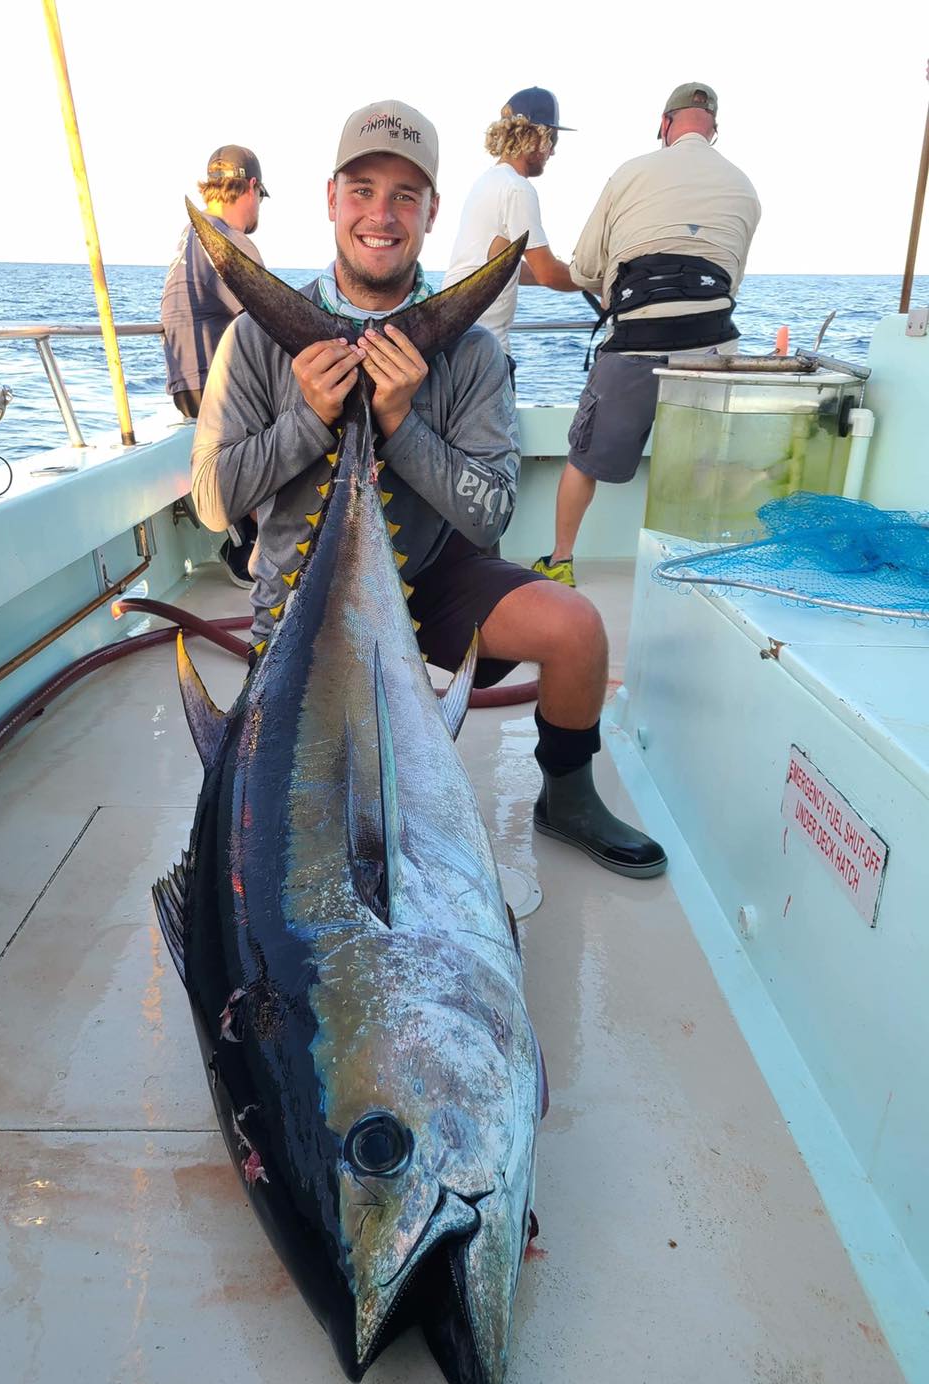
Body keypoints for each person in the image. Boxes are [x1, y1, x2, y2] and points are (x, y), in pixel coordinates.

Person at [191, 100, 666, 878]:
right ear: (332, 199)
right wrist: (311, 419)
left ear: (431, 211)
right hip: (299, 600)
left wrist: (402, 424)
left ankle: (568, 796)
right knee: (288, 831)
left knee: (576, 628)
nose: (382, 214)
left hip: (434, 578)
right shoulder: (255, 338)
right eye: (364, 190)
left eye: (405, 196)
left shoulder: (471, 351)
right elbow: (212, 500)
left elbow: (494, 509)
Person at [537, 82, 761, 587]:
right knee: (705, 465)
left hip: (636, 343)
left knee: (583, 459)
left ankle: (561, 561)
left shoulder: (631, 172)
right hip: (714, 349)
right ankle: (698, 569)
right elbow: (733, 279)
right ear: (714, 130)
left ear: (665, 125)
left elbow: (586, 267)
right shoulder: (745, 187)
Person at [162, 145, 269, 586]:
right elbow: (272, 321)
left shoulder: (189, 235)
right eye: (261, 196)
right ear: (250, 187)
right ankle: (253, 546)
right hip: (216, 389)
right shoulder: (229, 241)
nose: (259, 207)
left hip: (186, 386)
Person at [441, 87, 580, 373]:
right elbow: (547, 272)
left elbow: (501, 267)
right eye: (551, 138)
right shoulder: (517, 189)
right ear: (533, 135)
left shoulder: (488, 181)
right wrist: (598, 281)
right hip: (482, 353)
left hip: (455, 344)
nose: (553, 150)